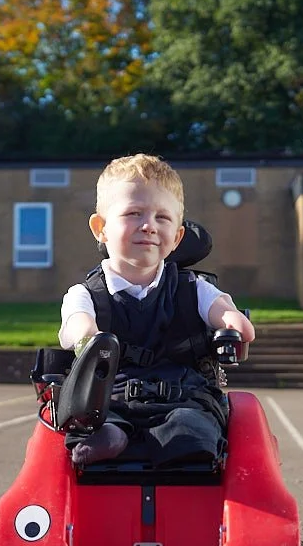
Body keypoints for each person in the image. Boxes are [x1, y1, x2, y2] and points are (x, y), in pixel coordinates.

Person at [59, 154, 256, 468]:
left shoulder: (194, 288)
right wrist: (88, 337)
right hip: (110, 397)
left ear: (177, 236)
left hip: (183, 396)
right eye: (134, 213)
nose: (149, 226)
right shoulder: (85, 295)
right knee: (89, 421)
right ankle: (109, 437)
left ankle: (181, 447)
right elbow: (75, 325)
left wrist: (232, 321)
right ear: (101, 228)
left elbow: (225, 310)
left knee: (194, 427)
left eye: (162, 218)